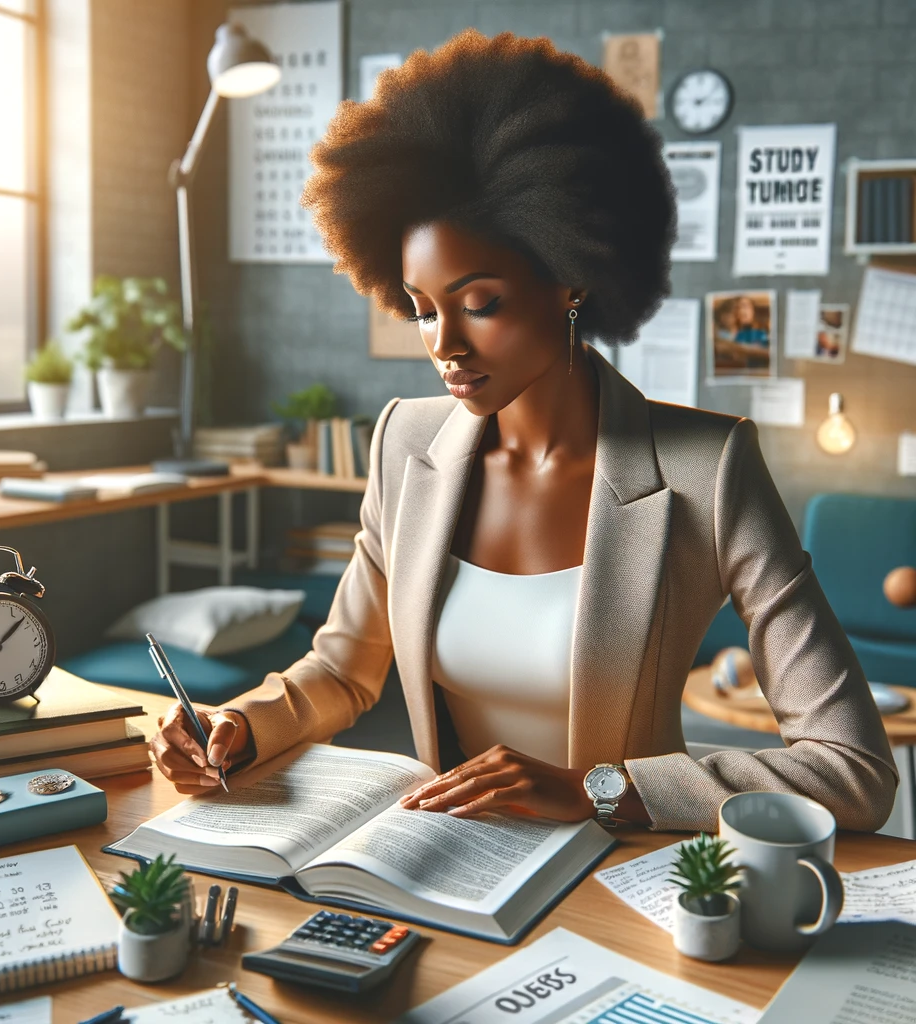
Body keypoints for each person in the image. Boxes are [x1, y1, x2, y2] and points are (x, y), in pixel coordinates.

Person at [151, 30, 896, 833]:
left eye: (479, 303)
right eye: (424, 309)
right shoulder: (407, 444)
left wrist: (598, 790)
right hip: (447, 860)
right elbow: (342, 670)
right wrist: (242, 723)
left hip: (618, 872)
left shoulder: (706, 470)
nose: (443, 343)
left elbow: (853, 768)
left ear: (569, 275)